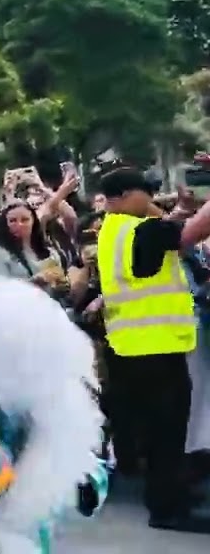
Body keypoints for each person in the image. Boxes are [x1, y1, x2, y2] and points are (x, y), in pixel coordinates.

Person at [97, 166, 210, 532]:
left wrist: (175, 210)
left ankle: (169, 495)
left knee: (159, 434)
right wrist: (181, 211)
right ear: (127, 196)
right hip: (154, 350)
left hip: (133, 349)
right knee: (166, 435)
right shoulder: (139, 229)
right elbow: (184, 235)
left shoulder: (113, 231)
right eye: (145, 192)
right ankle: (166, 509)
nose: (150, 199)